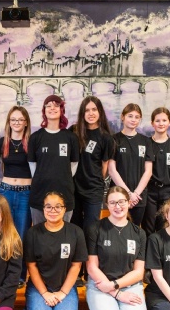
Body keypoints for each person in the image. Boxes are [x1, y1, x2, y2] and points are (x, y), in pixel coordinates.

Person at [85, 186, 148, 310]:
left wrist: (115, 286)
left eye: (121, 202)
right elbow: (91, 267)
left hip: (130, 285)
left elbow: (138, 272)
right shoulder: (95, 228)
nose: (117, 206)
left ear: (129, 203)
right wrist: (117, 293)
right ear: (107, 205)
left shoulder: (139, 233)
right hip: (101, 284)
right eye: (112, 203)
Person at [22, 192, 87, 310]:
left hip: (65, 285)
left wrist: (63, 292)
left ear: (64, 209)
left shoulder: (76, 232)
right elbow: (31, 266)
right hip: (39, 286)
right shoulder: (33, 233)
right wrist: (45, 293)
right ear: (43, 209)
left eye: (58, 206)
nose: (53, 210)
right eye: (48, 207)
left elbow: (76, 266)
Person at [28, 95, 80, 225]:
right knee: (39, 232)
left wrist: (62, 177)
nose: (52, 108)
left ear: (61, 110)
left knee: (63, 232)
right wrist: (44, 177)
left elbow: (74, 164)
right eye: (48, 106)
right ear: (44, 110)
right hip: (39, 194)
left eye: (56, 105)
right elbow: (33, 166)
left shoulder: (71, 137)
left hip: (64, 194)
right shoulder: (35, 137)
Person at [70, 96, 115, 234]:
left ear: (100, 111)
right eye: (87, 110)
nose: (91, 113)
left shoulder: (106, 138)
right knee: (74, 227)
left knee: (91, 229)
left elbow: (104, 167)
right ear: (82, 113)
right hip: (73, 188)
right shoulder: (74, 131)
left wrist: (93, 180)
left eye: (94, 109)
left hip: (93, 189)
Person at [0, 106, 32, 286]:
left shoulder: (32, 142)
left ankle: (19, 275)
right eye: (13, 119)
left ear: (26, 122)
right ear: (9, 122)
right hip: (6, 191)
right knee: (3, 233)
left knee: (21, 234)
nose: (17, 122)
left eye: (20, 119)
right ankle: (3, 273)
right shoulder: (3, 142)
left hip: (26, 192)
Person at [108, 104, 154, 226]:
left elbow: (148, 171)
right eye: (130, 116)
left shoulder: (146, 141)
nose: (133, 119)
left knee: (134, 229)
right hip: (118, 194)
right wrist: (128, 194)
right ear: (122, 117)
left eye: (137, 117)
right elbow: (112, 170)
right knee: (116, 228)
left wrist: (135, 194)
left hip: (138, 197)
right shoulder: (113, 140)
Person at [142, 107, 170, 234]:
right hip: (149, 191)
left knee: (164, 227)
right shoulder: (146, 144)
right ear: (152, 123)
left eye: (164, 120)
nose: (161, 123)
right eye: (157, 121)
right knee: (148, 227)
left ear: (169, 122)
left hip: (168, 191)